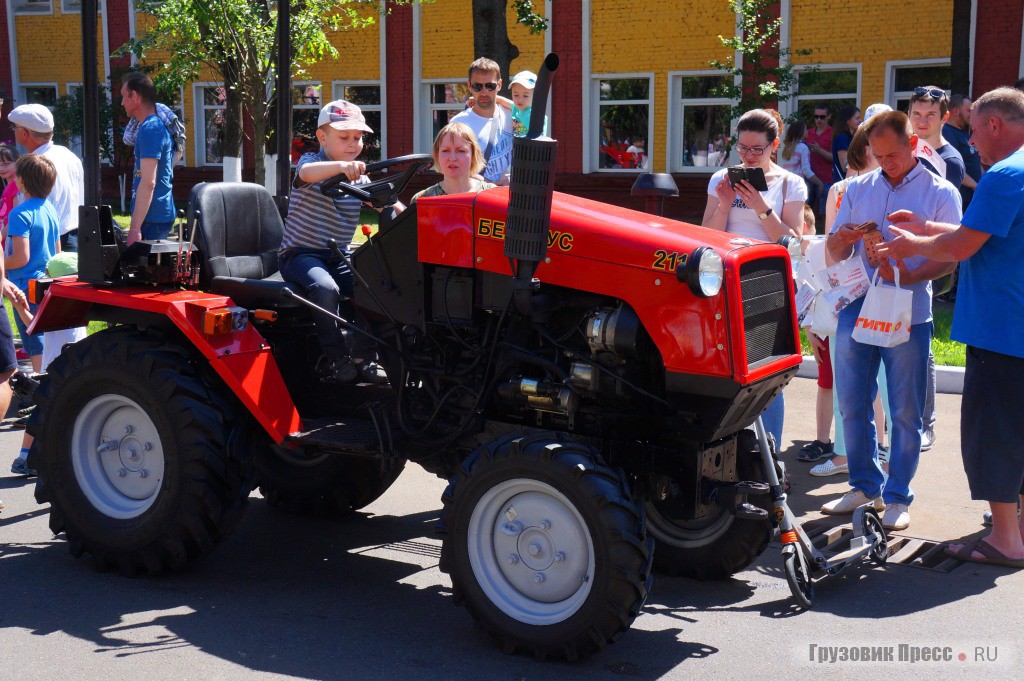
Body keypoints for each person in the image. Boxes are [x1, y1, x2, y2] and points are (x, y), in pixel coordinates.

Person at [877, 86, 1024, 568]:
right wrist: (926, 224)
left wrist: (911, 243)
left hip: (1000, 329)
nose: (969, 141)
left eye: (973, 129)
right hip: (1015, 327)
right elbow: (978, 234)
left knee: (994, 437)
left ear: (995, 126)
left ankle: (1006, 539)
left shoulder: (1003, 174)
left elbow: (961, 248)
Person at [820, 111, 960, 531]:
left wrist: (911, 273)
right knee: (853, 403)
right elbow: (834, 252)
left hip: (910, 311)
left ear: (914, 144)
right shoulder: (858, 187)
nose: (886, 163)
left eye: (893, 155)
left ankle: (898, 495)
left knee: (904, 410)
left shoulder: (941, 191)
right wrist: (840, 240)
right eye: (878, 156)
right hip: (857, 307)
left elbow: (950, 257)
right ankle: (864, 485)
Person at [701, 108, 806, 450]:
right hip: (725, 283)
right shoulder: (721, 178)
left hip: (769, 285)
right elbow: (704, 237)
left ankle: (770, 455)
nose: (747, 156)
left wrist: (761, 206)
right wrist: (724, 204)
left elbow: (792, 242)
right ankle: (731, 450)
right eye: (742, 148)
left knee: (766, 374)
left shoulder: (791, 184)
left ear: (774, 145)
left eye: (756, 149)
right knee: (724, 372)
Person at [278, 99, 392, 385]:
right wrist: (341, 166)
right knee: (325, 288)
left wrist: (401, 210)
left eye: (358, 137)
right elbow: (304, 175)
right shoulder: (311, 164)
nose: (353, 144)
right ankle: (336, 358)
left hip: (338, 255)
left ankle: (364, 356)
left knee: (372, 286)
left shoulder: (358, 178)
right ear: (321, 137)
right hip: (299, 255)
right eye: (344, 137)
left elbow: (386, 205)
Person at [808, 127, 889, 476]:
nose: (880, 156)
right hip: (851, 294)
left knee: (885, 383)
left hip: (889, 293)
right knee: (848, 381)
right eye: (873, 149)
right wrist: (832, 293)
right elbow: (830, 248)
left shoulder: (897, 189)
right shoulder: (841, 190)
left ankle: (882, 455)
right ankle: (845, 455)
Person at [4, 155, 60, 476]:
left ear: (22, 181)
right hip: (47, 283)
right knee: (43, 344)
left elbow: (20, 255)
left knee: (35, 349)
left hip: (25, 287)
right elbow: (54, 250)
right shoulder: (49, 209)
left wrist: (2, 263)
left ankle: (38, 409)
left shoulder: (19, 213)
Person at [9, 252, 88, 477]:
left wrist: (19, 306)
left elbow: (33, 325)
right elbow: (34, 325)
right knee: (42, 415)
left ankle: (30, 456)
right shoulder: (67, 305)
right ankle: (24, 458)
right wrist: (18, 305)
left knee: (47, 415)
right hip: (59, 370)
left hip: (61, 369)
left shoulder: (64, 305)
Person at [7, 103, 84, 252]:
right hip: (75, 238)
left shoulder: (35, 165)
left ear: (24, 133)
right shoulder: (68, 155)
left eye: (14, 128)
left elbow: (31, 212)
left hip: (47, 243)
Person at [121, 72, 176, 244]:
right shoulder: (152, 125)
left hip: (153, 218)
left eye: (124, 96)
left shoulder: (150, 128)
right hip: (156, 216)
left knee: (147, 270)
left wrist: (135, 228)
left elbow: (148, 182)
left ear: (135, 96)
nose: (122, 103)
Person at [452, 58, 513, 185]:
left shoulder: (512, 115)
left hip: (513, 198)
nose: (484, 92)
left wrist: (500, 100)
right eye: (477, 86)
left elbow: (534, 115)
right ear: (469, 86)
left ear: (499, 85)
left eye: (490, 86)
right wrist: (493, 186)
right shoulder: (458, 123)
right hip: (478, 199)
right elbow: (454, 166)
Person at [411, 122, 495, 203]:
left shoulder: (492, 194)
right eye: (445, 150)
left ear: (473, 155)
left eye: (461, 151)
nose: (452, 158)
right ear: (437, 155)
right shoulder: (422, 199)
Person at [944, 94, 983, 210]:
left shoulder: (965, 133)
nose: (971, 115)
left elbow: (973, 161)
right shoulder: (947, 132)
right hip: (961, 200)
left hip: (973, 197)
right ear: (956, 111)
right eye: (968, 111)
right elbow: (952, 167)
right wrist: (976, 186)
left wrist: (986, 179)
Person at [779, 121, 824, 197]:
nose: (807, 131)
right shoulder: (803, 147)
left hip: (785, 185)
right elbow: (806, 171)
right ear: (801, 132)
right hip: (797, 186)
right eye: (806, 129)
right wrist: (820, 183)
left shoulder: (785, 149)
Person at [806, 105, 834, 218]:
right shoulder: (808, 133)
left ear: (829, 117)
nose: (818, 120)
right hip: (809, 177)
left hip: (826, 178)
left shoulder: (832, 133)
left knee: (825, 214)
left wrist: (819, 150)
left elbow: (835, 158)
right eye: (816, 116)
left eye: (822, 117)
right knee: (805, 211)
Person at [831, 105, 863, 183]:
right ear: (847, 120)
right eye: (857, 118)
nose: (860, 121)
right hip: (843, 184)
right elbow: (845, 166)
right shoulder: (842, 138)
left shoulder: (852, 137)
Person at [0, 145, 21, 246]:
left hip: (10, 240)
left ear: (17, 163)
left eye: (6, 164)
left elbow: (15, 217)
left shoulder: (17, 185)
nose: (1, 168)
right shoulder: (9, 185)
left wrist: (1, 236)